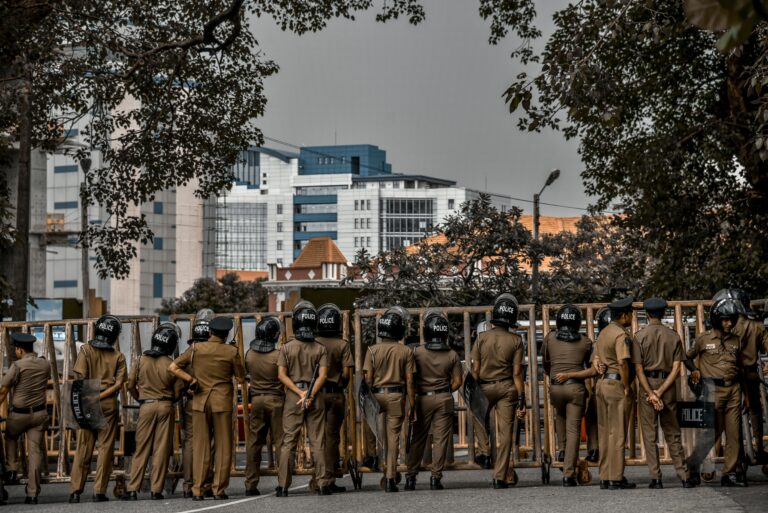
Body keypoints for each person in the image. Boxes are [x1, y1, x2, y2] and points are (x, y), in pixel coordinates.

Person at [170, 316, 246, 500]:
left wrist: (191, 380)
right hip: (222, 403)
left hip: (199, 403)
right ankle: (218, 489)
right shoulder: (231, 351)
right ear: (226, 334)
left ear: (210, 332)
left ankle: (197, 489)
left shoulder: (195, 348)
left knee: (200, 446)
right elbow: (241, 377)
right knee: (223, 447)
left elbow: (173, 367)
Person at [631, 298, 695, 488]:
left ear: (648, 314)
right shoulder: (673, 336)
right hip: (668, 387)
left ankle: (656, 478)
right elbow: (676, 369)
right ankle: (684, 476)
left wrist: (651, 393)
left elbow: (638, 370)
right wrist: (660, 391)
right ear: (664, 314)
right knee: (673, 433)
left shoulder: (639, 336)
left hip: (647, 386)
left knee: (650, 436)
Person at [686, 297, 748, 486]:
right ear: (716, 320)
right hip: (712, 390)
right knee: (710, 433)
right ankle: (693, 466)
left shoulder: (737, 341)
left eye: (731, 319)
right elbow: (686, 357)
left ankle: (728, 474)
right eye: (725, 319)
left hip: (733, 389)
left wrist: (746, 395)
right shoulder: (704, 339)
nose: (729, 323)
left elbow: (741, 368)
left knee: (734, 434)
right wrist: (695, 370)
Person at [470, 293, 526, 489]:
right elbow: (517, 374)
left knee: (477, 416)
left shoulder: (482, 338)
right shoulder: (516, 340)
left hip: (484, 386)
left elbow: (475, 371)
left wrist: (473, 395)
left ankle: (484, 450)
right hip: (507, 387)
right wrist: (522, 399)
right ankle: (500, 476)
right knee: (506, 433)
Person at [69, 315, 127, 503]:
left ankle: (75, 491)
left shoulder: (85, 351)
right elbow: (119, 385)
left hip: (87, 402)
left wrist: (92, 396)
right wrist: (102, 395)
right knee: (105, 448)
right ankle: (99, 492)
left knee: (83, 447)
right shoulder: (118, 356)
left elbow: (80, 378)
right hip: (109, 405)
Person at [276, 301, 331, 497]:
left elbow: (281, 375)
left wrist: (299, 393)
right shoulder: (320, 348)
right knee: (317, 441)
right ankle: (323, 484)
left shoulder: (286, 348)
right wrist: (310, 394)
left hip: (293, 396)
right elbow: (323, 376)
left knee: (289, 442)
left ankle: (283, 486)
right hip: (315, 396)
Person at [123, 323, 184, 500]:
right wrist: (170, 400)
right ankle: (156, 490)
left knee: (141, 448)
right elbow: (179, 389)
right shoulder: (171, 364)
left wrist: (141, 399)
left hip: (146, 405)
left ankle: (133, 488)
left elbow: (130, 384)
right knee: (161, 449)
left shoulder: (141, 360)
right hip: (166, 406)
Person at [404, 310, 462, 491]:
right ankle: (435, 478)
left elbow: (410, 379)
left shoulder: (416, 352)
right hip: (444, 397)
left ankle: (411, 477)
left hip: (422, 398)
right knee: (441, 439)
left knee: (418, 438)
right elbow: (458, 382)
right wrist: (444, 390)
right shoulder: (452, 355)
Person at [363, 306, 416, 492]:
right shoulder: (406, 352)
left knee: (371, 428)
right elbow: (410, 381)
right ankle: (391, 478)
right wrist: (413, 405)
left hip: (376, 394)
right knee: (393, 438)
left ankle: (372, 456)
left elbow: (368, 379)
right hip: (396, 395)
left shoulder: (371, 350)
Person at [542, 304, 596, 486]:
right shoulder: (586, 341)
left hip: (555, 387)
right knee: (573, 430)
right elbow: (591, 368)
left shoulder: (549, 338)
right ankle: (568, 473)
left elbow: (546, 362)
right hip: (575, 389)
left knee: (559, 414)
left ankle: (562, 449)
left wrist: (555, 376)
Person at [717, 289, 768, 464]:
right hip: (751, 373)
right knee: (756, 411)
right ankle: (759, 449)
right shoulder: (758, 326)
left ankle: (737, 456)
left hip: (731, 376)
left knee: (732, 415)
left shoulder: (726, 327)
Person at [0, 333, 51, 504]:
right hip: (39, 415)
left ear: (20, 349)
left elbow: (3, 390)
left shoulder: (17, 366)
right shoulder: (45, 364)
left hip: (19, 415)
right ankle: (32, 493)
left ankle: (12, 468)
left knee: (10, 437)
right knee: (35, 452)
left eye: (16, 349)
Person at [594, 297, 637, 490]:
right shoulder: (621, 335)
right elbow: (622, 362)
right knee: (618, 433)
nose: (632, 316)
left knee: (605, 433)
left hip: (602, 384)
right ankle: (616, 477)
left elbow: (597, 357)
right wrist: (627, 386)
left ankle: (605, 475)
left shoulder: (603, 332)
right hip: (616, 384)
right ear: (625, 315)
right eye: (631, 313)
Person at [315, 304, 354, 493]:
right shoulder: (342, 344)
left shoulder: (313, 342)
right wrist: (341, 384)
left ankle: (319, 478)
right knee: (332, 438)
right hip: (335, 393)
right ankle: (329, 477)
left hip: (316, 393)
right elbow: (347, 373)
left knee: (317, 438)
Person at [244, 316, 284, 496]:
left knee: (254, 443)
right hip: (276, 400)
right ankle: (283, 482)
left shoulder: (249, 355)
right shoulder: (278, 355)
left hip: (257, 400)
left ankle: (250, 484)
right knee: (281, 443)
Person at [180, 310, 215, 498]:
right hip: (212, 400)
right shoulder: (214, 351)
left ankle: (188, 484)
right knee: (210, 443)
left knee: (190, 443)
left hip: (192, 401)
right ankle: (205, 483)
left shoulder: (189, 352)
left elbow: (176, 375)